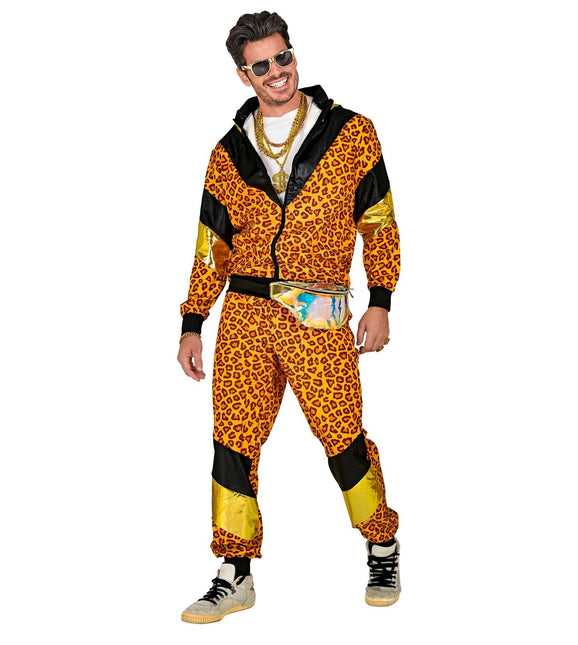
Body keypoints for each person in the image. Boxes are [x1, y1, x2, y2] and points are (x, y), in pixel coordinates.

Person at [177, 11, 401, 624]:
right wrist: (193, 321)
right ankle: (234, 572)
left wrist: (380, 300)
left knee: (342, 438)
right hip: (245, 315)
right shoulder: (227, 153)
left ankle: (382, 544)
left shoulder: (352, 133)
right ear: (243, 74)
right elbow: (211, 246)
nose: (277, 72)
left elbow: (379, 222)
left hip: (318, 313)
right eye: (262, 65)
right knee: (233, 443)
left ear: (293, 55)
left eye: (283, 57)